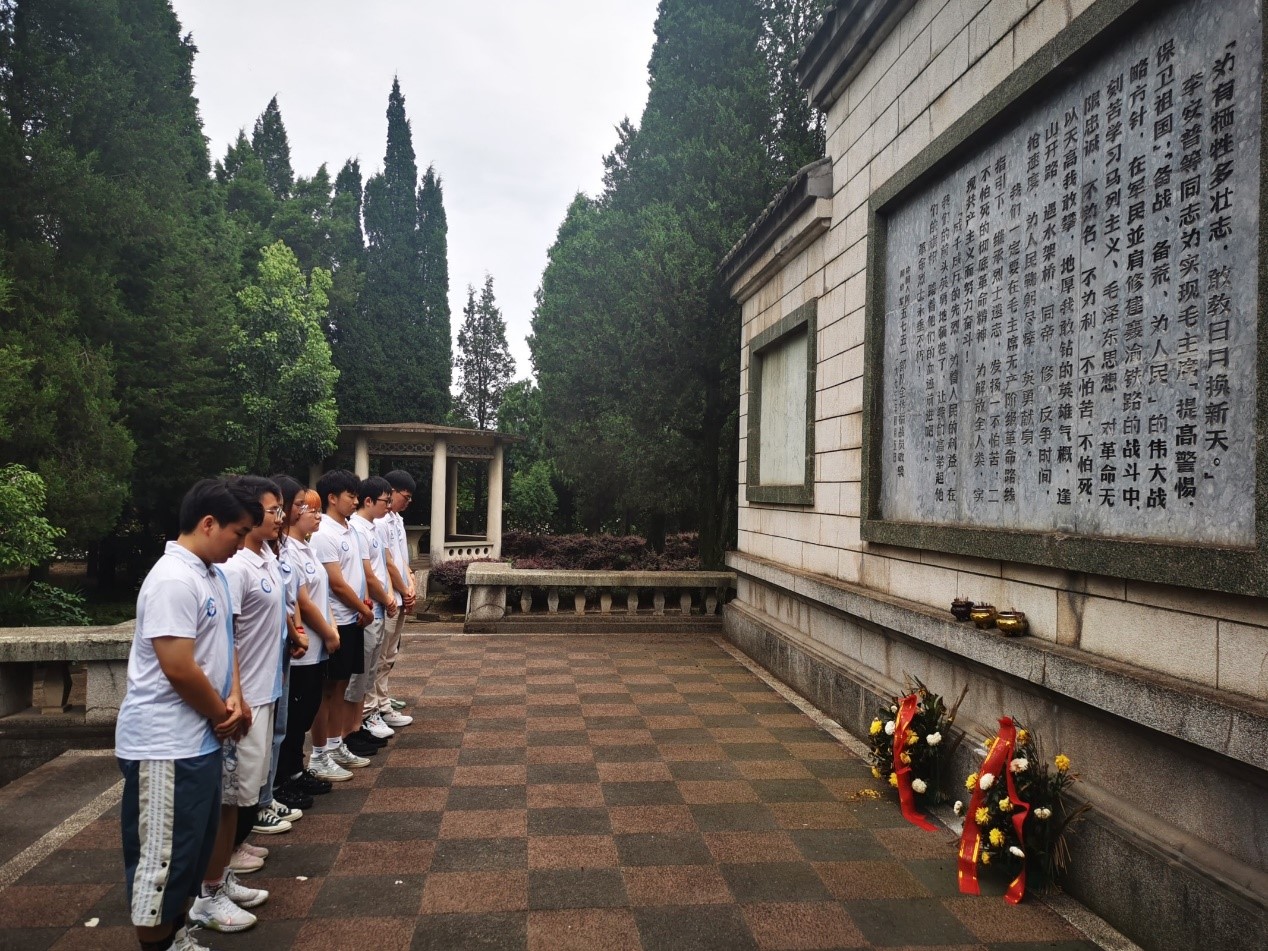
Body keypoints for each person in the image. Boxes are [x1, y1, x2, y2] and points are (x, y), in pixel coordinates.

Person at [115, 478, 255, 951]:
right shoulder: (173, 578)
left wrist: (234, 696)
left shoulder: (209, 572)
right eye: (237, 533)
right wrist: (222, 712)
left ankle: (178, 937)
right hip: (165, 743)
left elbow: (223, 645)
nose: (240, 545)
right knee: (160, 863)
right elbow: (177, 665)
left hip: (197, 739)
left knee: (189, 854)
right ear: (208, 523)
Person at [189, 476, 285, 934]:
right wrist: (235, 696)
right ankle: (207, 892)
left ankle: (219, 878)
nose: (278, 517)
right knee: (230, 798)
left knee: (240, 797)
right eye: (271, 510)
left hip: (261, 692)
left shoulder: (261, 558)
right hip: (240, 701)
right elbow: (224, 641)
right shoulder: (232, 566)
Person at [276, 485, 347, 789]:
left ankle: (295, 771)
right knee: (296, 717)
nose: (316, 515)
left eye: (316, 508)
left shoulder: (307, 547)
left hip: (319, 644)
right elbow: (301, 601)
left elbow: (322, 594)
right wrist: (327, 632)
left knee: (307, 709)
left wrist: (332, 628)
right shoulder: (287, 550)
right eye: (308, 508)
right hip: (305, 648)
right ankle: (287, 777)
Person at [309, 469, 375, 769]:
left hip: (354, 618)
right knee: (327, 689)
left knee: (342, 685)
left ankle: (337, 745)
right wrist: (361, 608)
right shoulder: (324, 533)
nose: (355, 501)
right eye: (350, 495)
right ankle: (320, 752)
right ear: (332, 498)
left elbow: (356, 573)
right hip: (337, 620)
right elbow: (335, 582)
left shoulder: (349, 530)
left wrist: (363, 604)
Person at [346, 476, 397, 747]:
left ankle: (364, 719)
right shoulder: (357, 529)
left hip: (378, 606)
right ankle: (354, 726)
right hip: (369, 607)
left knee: (371, 667)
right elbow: (367, 573)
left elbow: (382, 565)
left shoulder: (374, 527)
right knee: (360, 670)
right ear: (369, 501)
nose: (389, 506)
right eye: (385, 501)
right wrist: (386, 599)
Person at [367, 469, 417, 730]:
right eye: (404, 497)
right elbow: (386, 563)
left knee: (389, 654)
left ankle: (383, 703)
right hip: (387, 597)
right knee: (378, 656)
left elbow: (402, 560)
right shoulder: (380, 522)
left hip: (398, 596)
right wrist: (402, 590)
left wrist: (409, 587)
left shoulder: (395, 519)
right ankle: (374, 708)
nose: (405, 502)